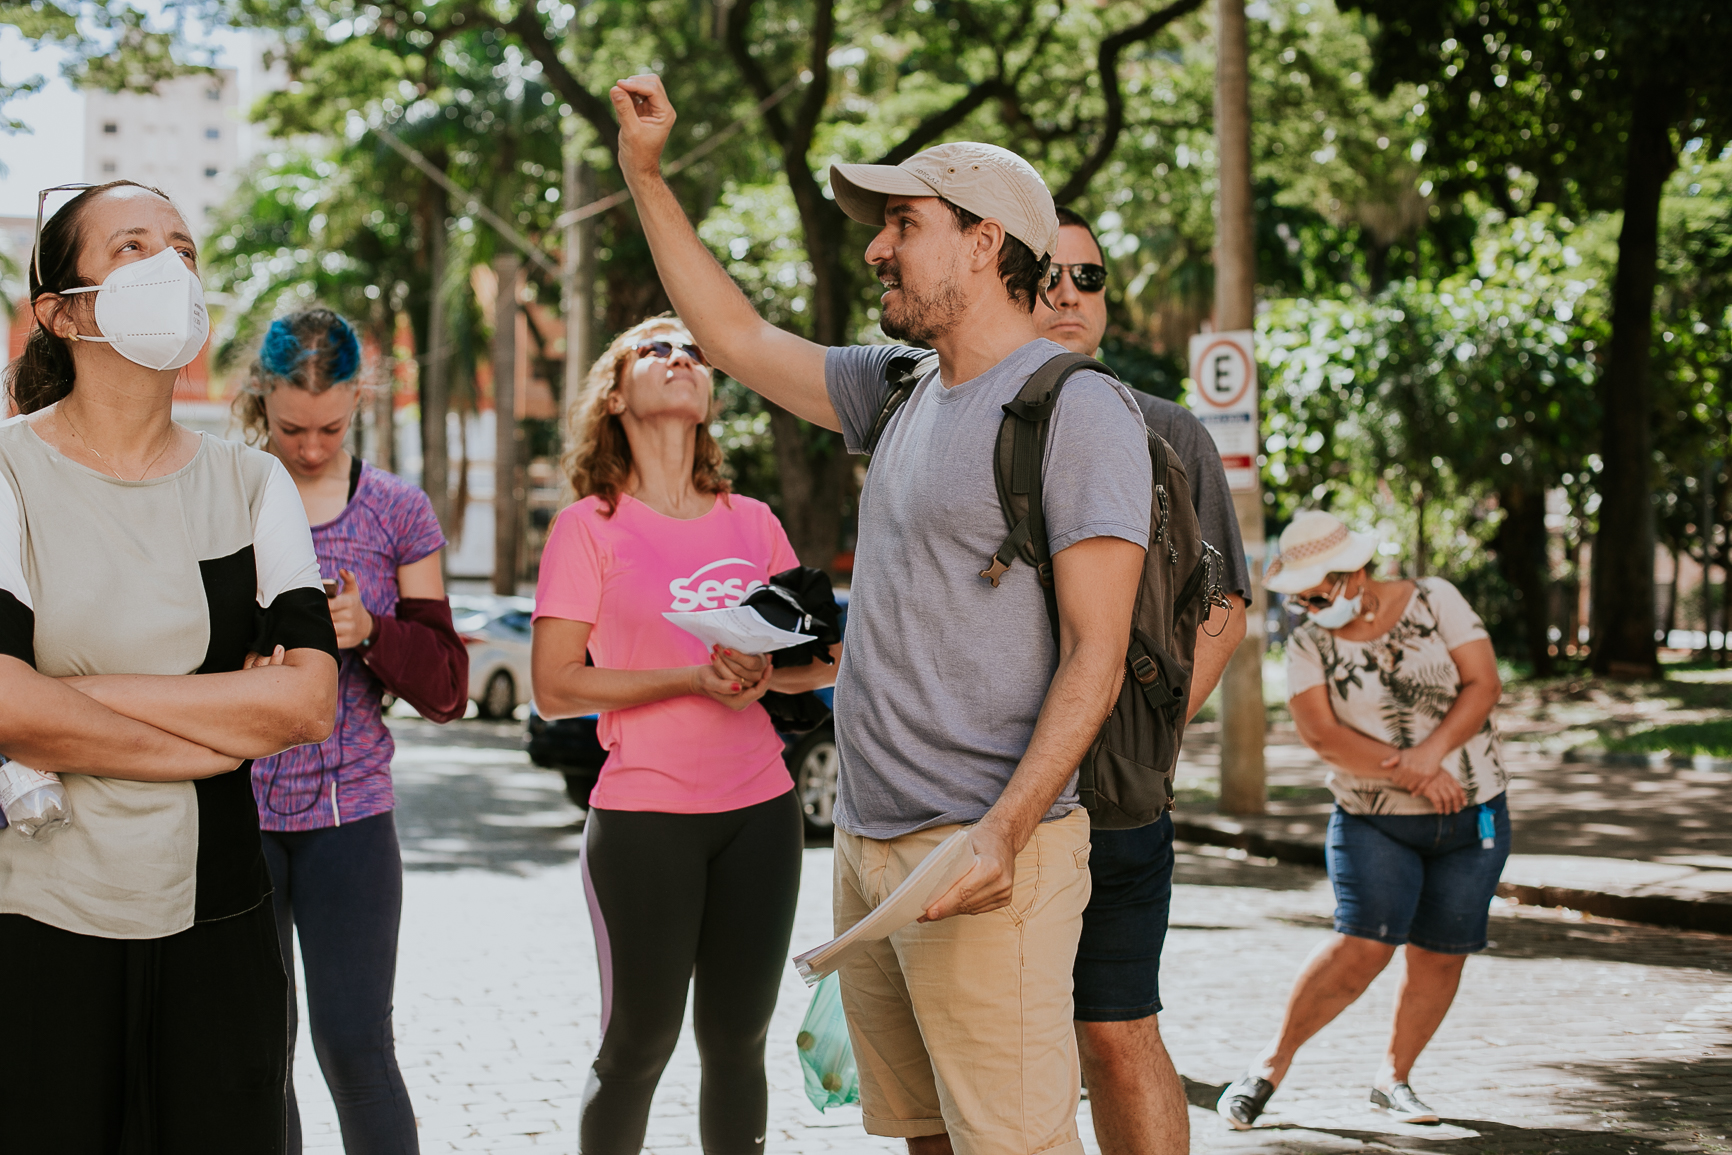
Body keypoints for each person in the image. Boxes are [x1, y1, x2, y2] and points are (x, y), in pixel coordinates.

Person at [613, 76, 1152, 1155]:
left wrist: (1002, 833)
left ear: (985, 242)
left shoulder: (1077, 410)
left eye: (904, 224)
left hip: (981, 850)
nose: (876, 249)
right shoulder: (899, 385)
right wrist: (644, 174)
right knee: (923, 1137)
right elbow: (734, 335)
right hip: (866, 841)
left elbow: (1098, 653)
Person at [0, 179, 339, 1151]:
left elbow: (309, 701)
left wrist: (70, 699)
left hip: (218, 909)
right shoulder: (9, 471)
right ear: (61, 312)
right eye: (133, 247)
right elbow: (5, 703)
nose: (171, 268)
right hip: (38, 910)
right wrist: (214, 736)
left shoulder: (252, 482)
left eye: (184, 249)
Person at [531, 316, 838, 1154]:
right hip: (643, 818)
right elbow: (555, 686)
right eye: (657, 348)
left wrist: (766, 671)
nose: (681, 359)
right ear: (614, 395)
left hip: (761, 813)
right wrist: (691, 676)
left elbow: (816, 661)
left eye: (696, 353)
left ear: (708, 395)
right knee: (639, 1044)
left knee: (738, 1043)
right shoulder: (588, 527)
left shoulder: (754, 522)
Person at [1035, 207, 1251, 1155]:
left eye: (1088, 277)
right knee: (1007, 1050)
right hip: (983, 793)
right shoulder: (967, 417)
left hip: (1117, 804)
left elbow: (1223, 605)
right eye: (1047, 275)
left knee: (1118, 1035)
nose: (1068, 294)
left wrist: (1150, 734)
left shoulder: (1168, 430)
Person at [242, 307, 468, 1155]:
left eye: (330, 428)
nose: (309, 448)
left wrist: (372, 629)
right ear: (262, 399)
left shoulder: (396, 510)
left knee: (356, 1050)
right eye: (291, 427)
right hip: (238, 815)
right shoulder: (222, 491)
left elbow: (448, 685)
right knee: (256, 1057)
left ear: (359, 401)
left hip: (351, 819)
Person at [1216, 509, 1509, 1130]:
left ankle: (1394, 1080)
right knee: (1363, 946)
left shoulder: (1436, 599)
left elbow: (1483, 684)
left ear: (1354, 574)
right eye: (1298, 600)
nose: (1308, 609)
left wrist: (1430, 755)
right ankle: (1268, 1066)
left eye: (1317, 596)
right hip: (1374, 818)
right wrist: (1414, 772)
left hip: (1473, 816)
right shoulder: (1308, 643)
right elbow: (1322, 735)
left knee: (1441, 953)